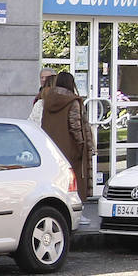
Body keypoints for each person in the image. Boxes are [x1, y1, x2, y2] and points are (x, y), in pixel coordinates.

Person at [40, 71, 96, 200]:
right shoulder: (72, 101)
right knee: (74, 180)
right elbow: (76, 126)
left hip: (52, 147)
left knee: (56, 178)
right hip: (71, 148)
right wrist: (82, 146)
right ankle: (76, 209)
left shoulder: (47, 100)